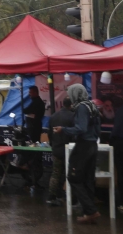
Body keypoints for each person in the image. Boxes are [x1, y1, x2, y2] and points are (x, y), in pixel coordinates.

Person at [53, 84, 101, 224]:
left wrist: (63, 130)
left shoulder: (81, 107)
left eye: (70, 94)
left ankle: (91, 210)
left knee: (73, 177)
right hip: (93, 145)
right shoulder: (92, 105)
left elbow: (80, 128)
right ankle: (88, 213)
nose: (69, 97)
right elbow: (97, 128)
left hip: (83, 146)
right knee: (88, 179)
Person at [47, 98, 74, 206]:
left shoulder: (53, 116)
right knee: (70, 173)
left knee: (56, 173)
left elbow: (49, 133)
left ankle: (51, 196)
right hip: (69, 149)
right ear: (71, 105)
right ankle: (70, 197)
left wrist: (52, 144)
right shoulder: (73, 116)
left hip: (57, 149)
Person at [112, 103, 123, 214]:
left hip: (119, 144)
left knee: (120, 173)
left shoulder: (120, 110)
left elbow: (117, 128)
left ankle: (121, 203)